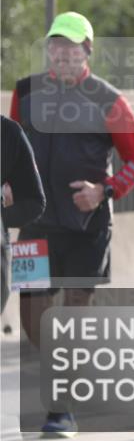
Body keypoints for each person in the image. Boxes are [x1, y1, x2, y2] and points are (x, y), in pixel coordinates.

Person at [10, 11, 134, 436]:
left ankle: (62, 408)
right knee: (32, 316)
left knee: (73, 315)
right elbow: (10, 147)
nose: (61, 54)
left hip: (86, 227)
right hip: (35, 222)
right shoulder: (25, 92)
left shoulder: (108, 99)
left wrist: (103, 191)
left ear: (87, 51)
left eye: (71, 47)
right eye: (55, 45)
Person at [1, 116, 46, 315]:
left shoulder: (7, 131)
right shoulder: (24, 99)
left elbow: (34, 201)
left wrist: (104, 191)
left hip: (82, 229)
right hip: (35, 232)